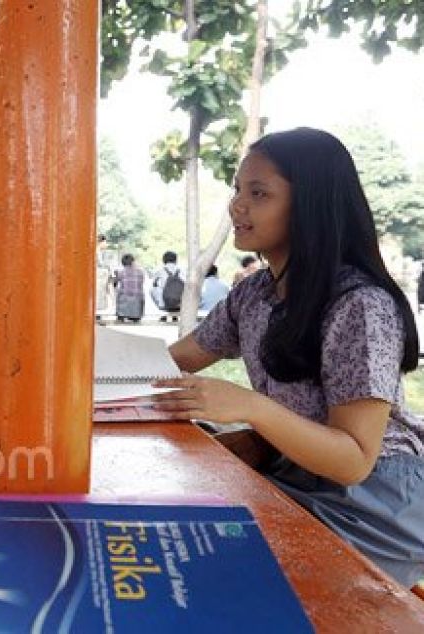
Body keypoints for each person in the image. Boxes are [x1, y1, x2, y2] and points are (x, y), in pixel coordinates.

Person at [155, 128, 424, 587]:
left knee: (206, 565)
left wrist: (251, 409)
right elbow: (174, 361)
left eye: (259, 193)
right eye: (238, 189)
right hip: (299, 473)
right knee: (177, 529)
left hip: (375, 499)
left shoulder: (359, 304)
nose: (237, 205)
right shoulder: (254, 295)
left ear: (310, 206)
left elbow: (355, 458)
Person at [151, 250, 184, 321]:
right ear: (175, 260)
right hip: (179, 300)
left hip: (165, 300)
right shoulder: (181, 270)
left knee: (154, 290)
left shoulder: (160, 270)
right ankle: (176, 312)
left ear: (164, 260)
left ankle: (163, 310)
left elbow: (154, 283)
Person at [112, 253, 145, 323]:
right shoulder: (140, 272)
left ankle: (121, 314)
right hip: (137, 299)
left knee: (120, 292)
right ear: (133, 261)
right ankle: (136, 315)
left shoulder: (121, 272)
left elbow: (115, 283)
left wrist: (115, 278)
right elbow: (141, 283)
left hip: (124, 298)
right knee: (139, 293)